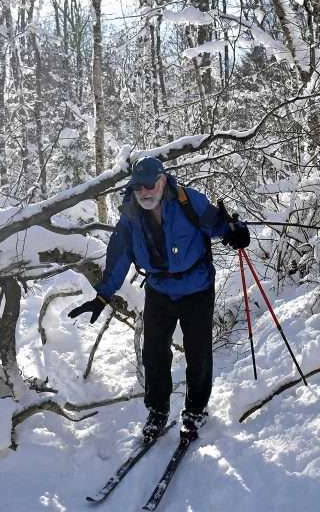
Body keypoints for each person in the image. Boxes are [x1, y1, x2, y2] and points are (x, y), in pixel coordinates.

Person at [67, 156, 250, 441]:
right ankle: (158, 410)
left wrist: (235, 232)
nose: (144, 192)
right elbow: (118, 260)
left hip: (197, 288)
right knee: (154, 353)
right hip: (160, 290)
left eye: (149, 184)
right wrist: (102, 296)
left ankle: (195, 411)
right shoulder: (129, 218)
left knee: (198, 351)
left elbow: (216, 224)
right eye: (138, 186)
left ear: (163, 180)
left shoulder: (188, 201)